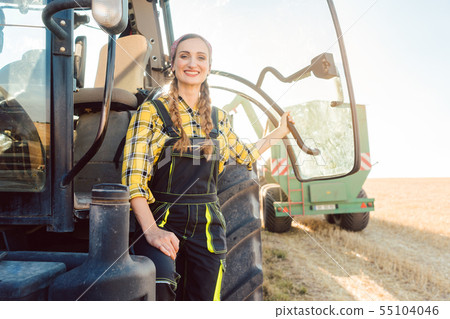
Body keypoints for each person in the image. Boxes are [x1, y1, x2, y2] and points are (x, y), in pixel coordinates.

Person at [122, 33, 294, 301]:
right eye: (185, 56)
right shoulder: (152, 112)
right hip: (165, 217)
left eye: (201, 57)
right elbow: (134, 181)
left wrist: (279, 132)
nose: (193, 63)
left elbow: (246, 155)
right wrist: (152, 231)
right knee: (162, 284)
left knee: (206, 297)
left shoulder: (219, 118)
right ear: (173, 63)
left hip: (209, 224)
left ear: (209, 67)